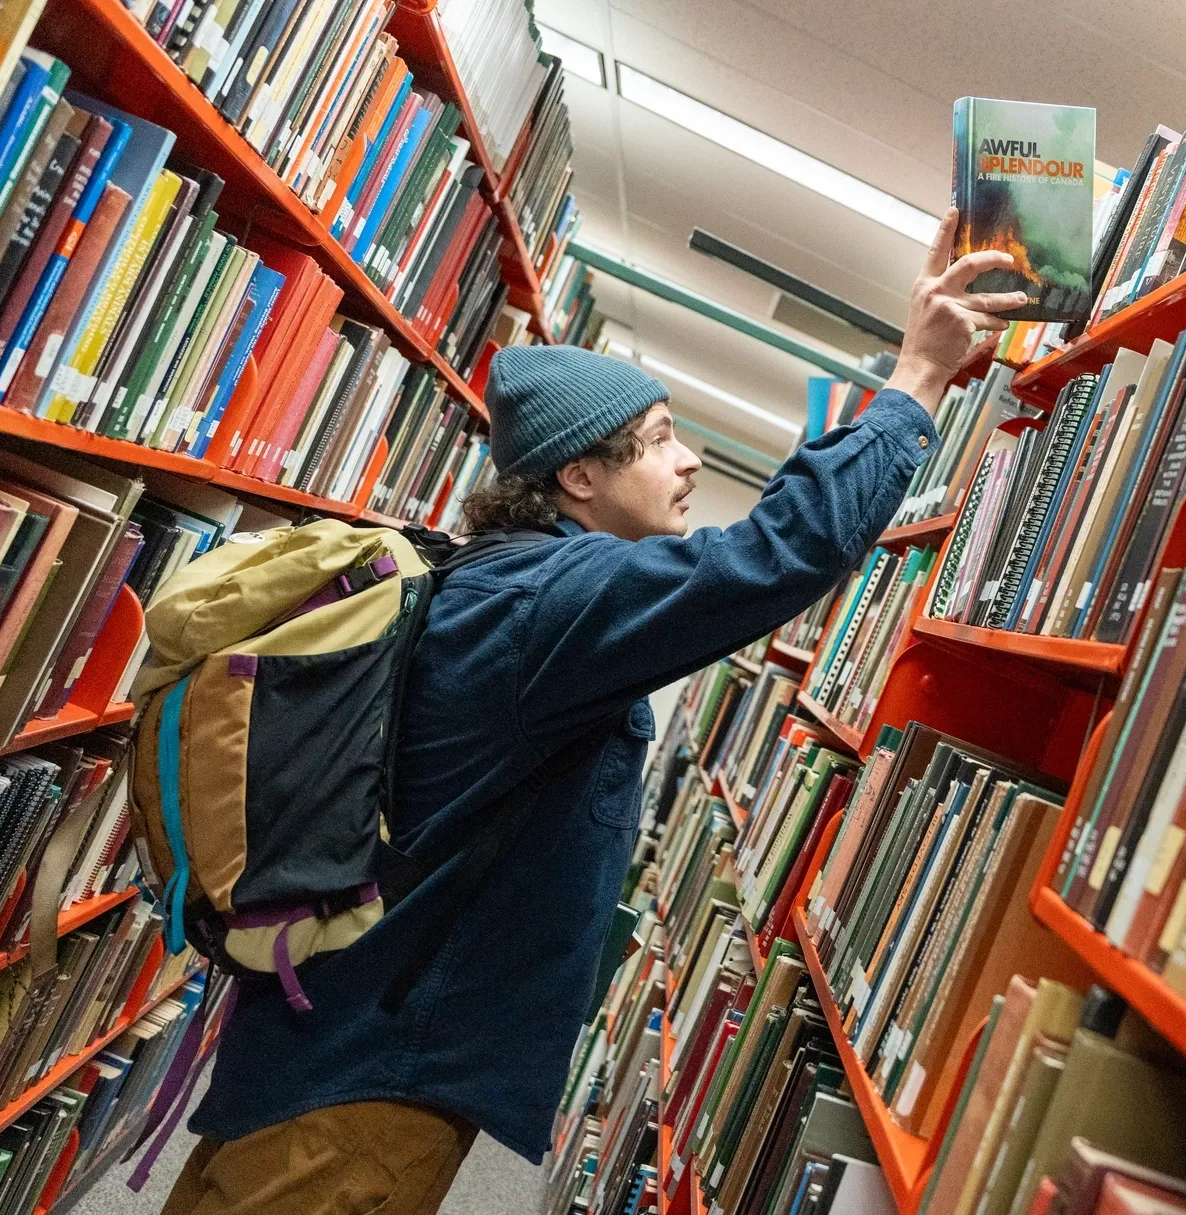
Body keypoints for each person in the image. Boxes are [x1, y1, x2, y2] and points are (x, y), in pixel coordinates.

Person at [158, 214, 1024, 1215]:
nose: (689, 461)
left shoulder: (496, 583)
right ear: (577, 476)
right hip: (367, 1079)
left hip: (331, 1044)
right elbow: (775, 557)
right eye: (658, 442)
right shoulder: (551, 605)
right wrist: (916, 380)